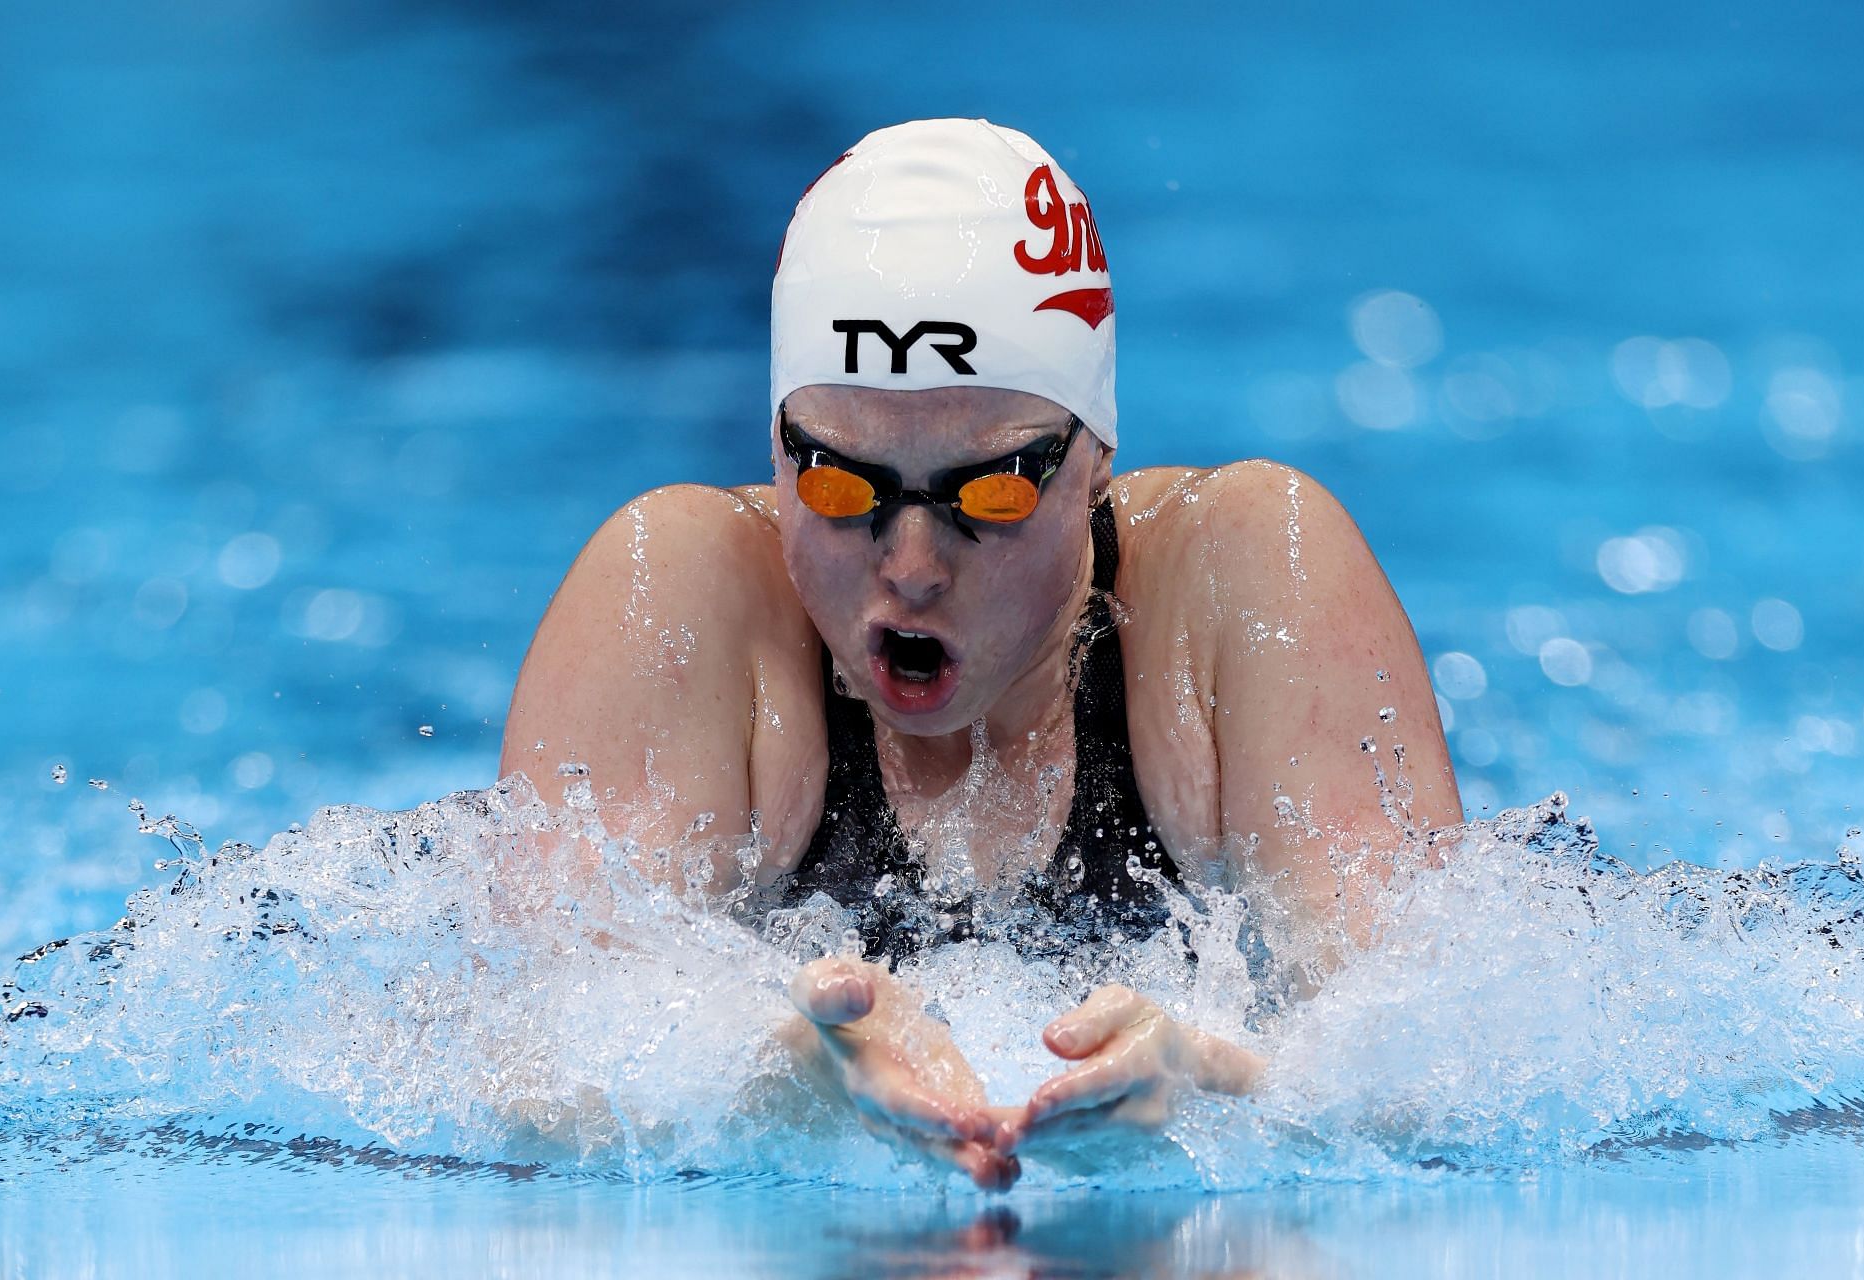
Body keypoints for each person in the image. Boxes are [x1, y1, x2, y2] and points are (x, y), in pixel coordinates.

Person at [499, 118, 1462, 1190]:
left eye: (989, 492)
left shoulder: (1253, 573)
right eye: (838, 483)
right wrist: (771, 1081)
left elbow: (1437, 1060)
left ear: (1092, 458)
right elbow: (533, 1074)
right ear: (775, 446)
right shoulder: (677, 593)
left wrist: (1222, 1083)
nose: (911, 565)